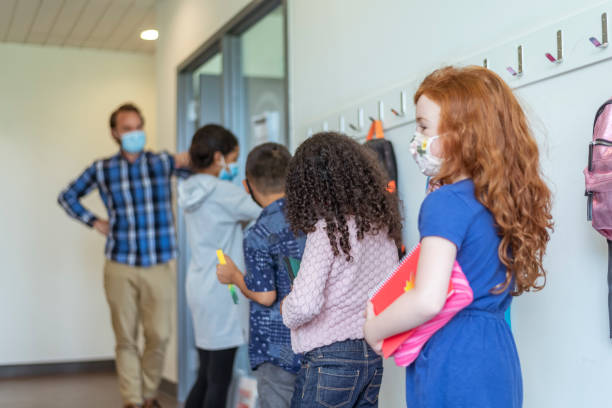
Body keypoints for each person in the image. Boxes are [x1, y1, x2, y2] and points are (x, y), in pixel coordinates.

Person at [363, 66, 554, 408]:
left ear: (464, 135)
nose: (415, 138)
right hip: (497, 352)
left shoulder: (446, 202)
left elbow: (427, 299)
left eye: (423, 126)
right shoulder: (502, 197)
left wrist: (375, 329)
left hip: (454, 354)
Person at [57, 103, 190, 408]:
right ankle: (133, 400)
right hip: (119, 263)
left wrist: (192, 159)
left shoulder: (161, 162)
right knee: (126, 338)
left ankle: (148, 393)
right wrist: (94, 221)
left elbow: (200, 170)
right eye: (127, 129)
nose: (135, 133)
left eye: (138, 127)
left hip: (159, 262)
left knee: (160, 334)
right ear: (115, 133)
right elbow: (67, 196)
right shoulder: (102, 169)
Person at [280, 132, 403, 408]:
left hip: (329, 360)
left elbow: (305, 305)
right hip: (371, 354)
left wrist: (286, 305)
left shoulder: (327, 230)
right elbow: (388, 290)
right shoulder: (381, 225)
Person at [216, 142, 306, 408]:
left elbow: (265, 296)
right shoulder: (313, 219)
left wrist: (234, 276)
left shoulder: (259, 233)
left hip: (276, 346)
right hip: (314, 343)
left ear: (247, 186)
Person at [178, 124, 261, 408]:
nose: (234, 165)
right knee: (219, 379)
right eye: (233, 158)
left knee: (206, 374)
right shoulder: (223, 192)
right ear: (217, 157)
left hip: (200, 285)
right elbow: (267, 211)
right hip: (222, 291)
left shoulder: (188, 189)